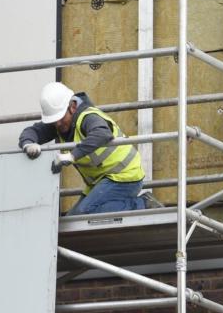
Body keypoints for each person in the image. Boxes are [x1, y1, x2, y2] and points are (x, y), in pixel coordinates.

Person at [18, 82, 160, 215]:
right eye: (54, 121)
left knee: (85, 212)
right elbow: (32, 132)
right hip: (102, 180)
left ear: (72, 106)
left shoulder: (88, 117)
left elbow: (102, 133)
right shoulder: (59, 124)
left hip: (125, 175)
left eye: (61, 118)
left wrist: (72, 156)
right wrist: (28, 144)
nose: (58, 124)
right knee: (72, 219)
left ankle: (143, 203)